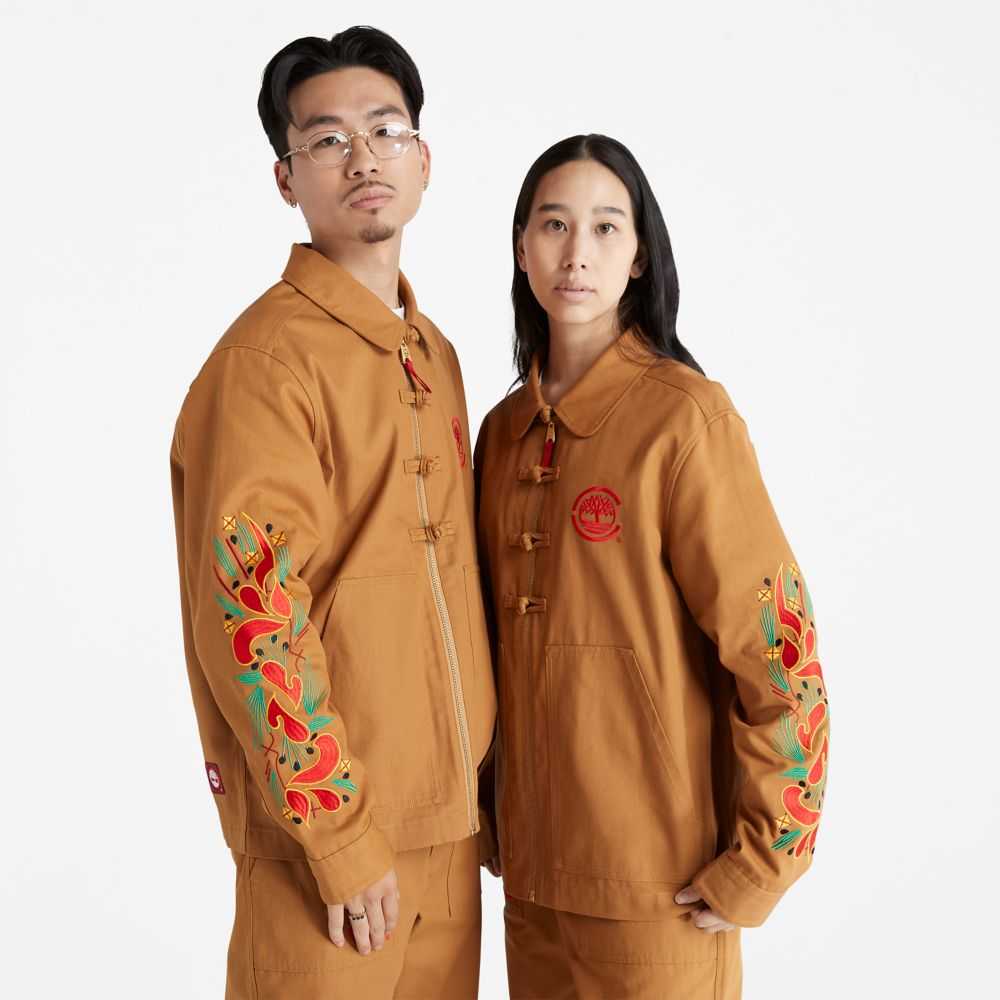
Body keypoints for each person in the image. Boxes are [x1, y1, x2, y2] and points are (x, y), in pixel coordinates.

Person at [169, 27, 497, 999]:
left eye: (385, 130)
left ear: (424, 159)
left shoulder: (433, 352)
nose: (363, 159)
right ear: (286, 178)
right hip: (330, 855)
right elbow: (253, 614)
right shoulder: (267, 364)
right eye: (326, 140)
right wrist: (339, 836)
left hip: (452, 836)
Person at [474, 134, 830, 999]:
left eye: (606, 227)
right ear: (521, 248)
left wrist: (762, 862)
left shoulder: (685, 420)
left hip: (662, 890)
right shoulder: (501, 434)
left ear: (639, 256)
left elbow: (778, 648)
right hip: (530, 888)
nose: (577, 253)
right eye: (554, 225)